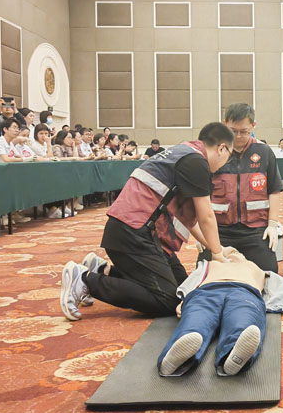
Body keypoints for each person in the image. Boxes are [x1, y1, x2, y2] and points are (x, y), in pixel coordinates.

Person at [59, 122, 237, 321]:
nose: (225, 163)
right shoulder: (197, 162)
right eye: (229, 156)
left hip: (134, 231)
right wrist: (217, 255)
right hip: (134, 234)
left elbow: (191, 219)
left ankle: (103, 270)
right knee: (167, 299)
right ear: (222, 148)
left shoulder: (183, 152)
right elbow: (206, 216)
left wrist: (216, 248)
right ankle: (85, 280)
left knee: (182, 289)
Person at [157, 253, 283, 377]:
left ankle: (233, 358)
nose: (233, 253)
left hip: (245, 293)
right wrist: (184, 298)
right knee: (194, 323)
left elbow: (281, 285)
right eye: (228, 251)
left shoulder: (256, 268)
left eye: (236, 252)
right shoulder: (210, 264)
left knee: (243, 323)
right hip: (206, 293)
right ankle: (171, 361)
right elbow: (193, 280)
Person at [209, 103, 283, 273]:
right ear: (224, 124)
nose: (238, 136)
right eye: (233, 131)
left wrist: (272, 224)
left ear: (253, 126)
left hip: (255, 230)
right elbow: (202, 194)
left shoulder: (264, 152)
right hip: (219, 230)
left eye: (244, 131)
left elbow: (274, 190)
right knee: (206, 273)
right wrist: (202, 231)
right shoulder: (214, 153)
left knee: (269, 272)